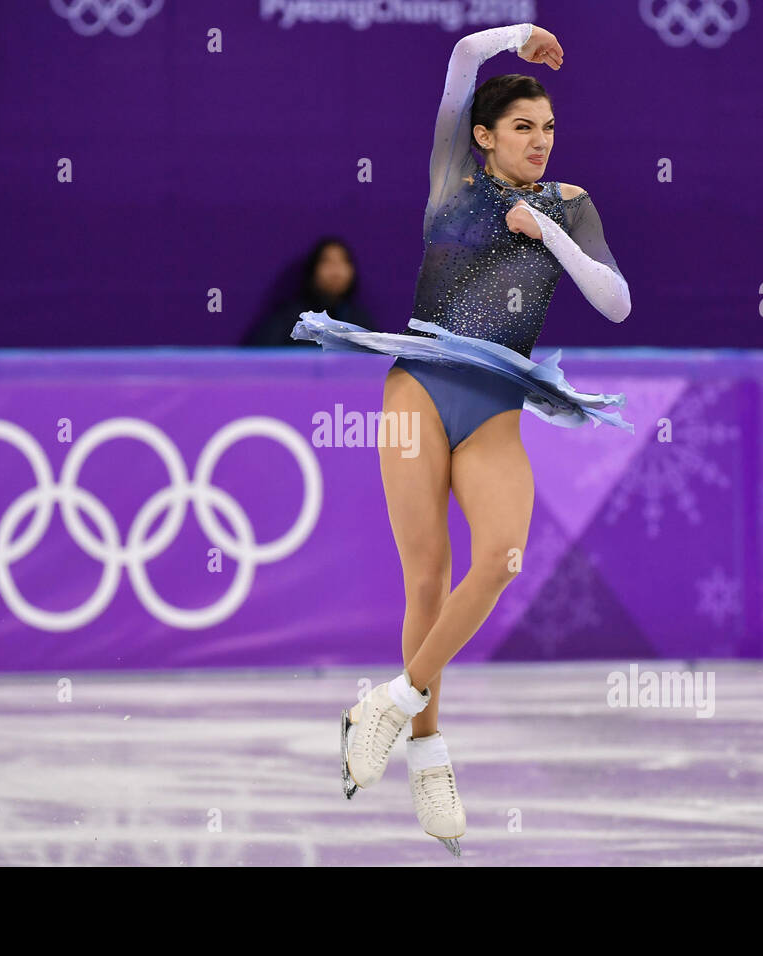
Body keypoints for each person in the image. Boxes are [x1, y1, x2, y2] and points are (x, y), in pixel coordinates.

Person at [297, 22, 633, 855]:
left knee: (499, 560)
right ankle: (429, 758)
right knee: (427, 577)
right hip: (419, 386)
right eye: (523, 127)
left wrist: (546, 231)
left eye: (549, 128)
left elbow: (616, 302)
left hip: (495, 406)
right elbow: (459, 63)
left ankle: (388, 704)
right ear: (484, 138)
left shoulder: (571, 205)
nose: (540, 142)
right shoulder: (452, 177)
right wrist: (518, 31)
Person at [241, 238, 378, 345]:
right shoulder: (291, 318)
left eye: (343, 261)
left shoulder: (359, 321)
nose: (336, 271)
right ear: (313, 271)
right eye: (327, 261)